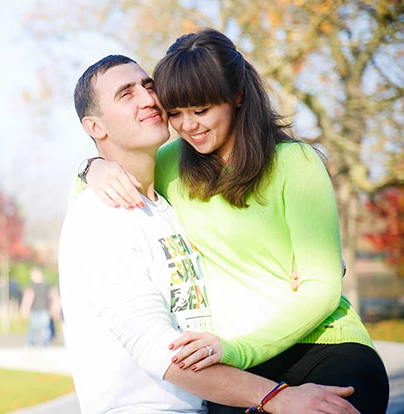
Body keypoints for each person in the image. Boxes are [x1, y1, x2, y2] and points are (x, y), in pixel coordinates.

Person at [80, 29, 389, 413]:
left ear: (236, 96)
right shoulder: (171, 165)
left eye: (201, 109)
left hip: (323, 348)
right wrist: (92, 168)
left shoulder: (296, 163)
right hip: (237, 368)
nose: (189, 125)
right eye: (176, 113)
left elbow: (322, 289)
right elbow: (100, 195)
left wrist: (237, 350)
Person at [20, 268, 55, 347]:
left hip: (44, 310)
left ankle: (45, 344)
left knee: (45, 329)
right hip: (35, 310)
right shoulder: (31, 286)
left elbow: (51, 297)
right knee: (32, 328)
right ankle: (31, 343)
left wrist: (52, 308)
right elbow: (27, 299)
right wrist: (25, 309)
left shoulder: (46, 285)